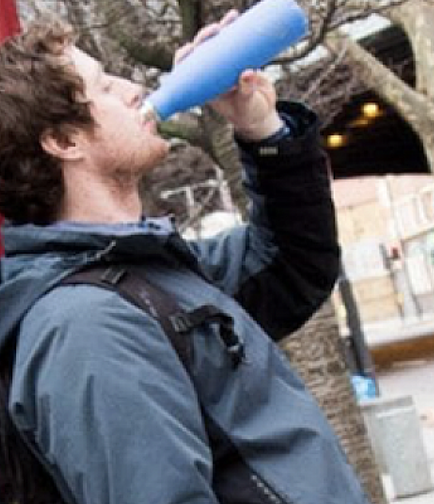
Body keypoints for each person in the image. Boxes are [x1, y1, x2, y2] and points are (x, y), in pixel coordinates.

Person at [0, 15, 369, 504]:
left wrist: (260, 128)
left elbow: (291, 267)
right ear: (64, 142)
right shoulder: (89, 324)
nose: (133, 90)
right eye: (105, 86)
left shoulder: (150, 274)